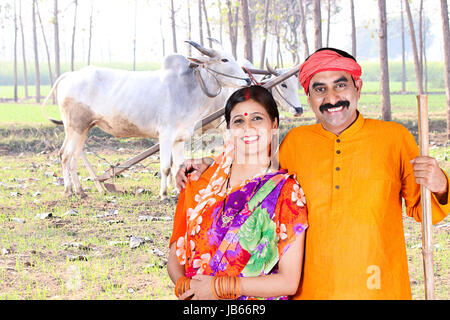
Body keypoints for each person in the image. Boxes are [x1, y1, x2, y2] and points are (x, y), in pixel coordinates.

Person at [176, 48, 450, 299]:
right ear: (308, 97)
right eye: (320, 89)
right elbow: (255, 171)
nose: (331, 99)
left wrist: (440, 186)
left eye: (340, 85)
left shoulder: (394, 138)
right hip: (310, 292)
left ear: (358, 87)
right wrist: (209, 165)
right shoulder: (296, 141)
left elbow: (424, 209)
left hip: (379, 288)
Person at [167, 86, 308, 300]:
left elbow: (288, 282)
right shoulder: (202, 180)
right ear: (229, 130)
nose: (247, 128)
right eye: (239, 121)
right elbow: (176, 253)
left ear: (274, 125)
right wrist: (187, 290)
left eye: (257, 119)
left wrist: (218, 287)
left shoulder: (286, 193)